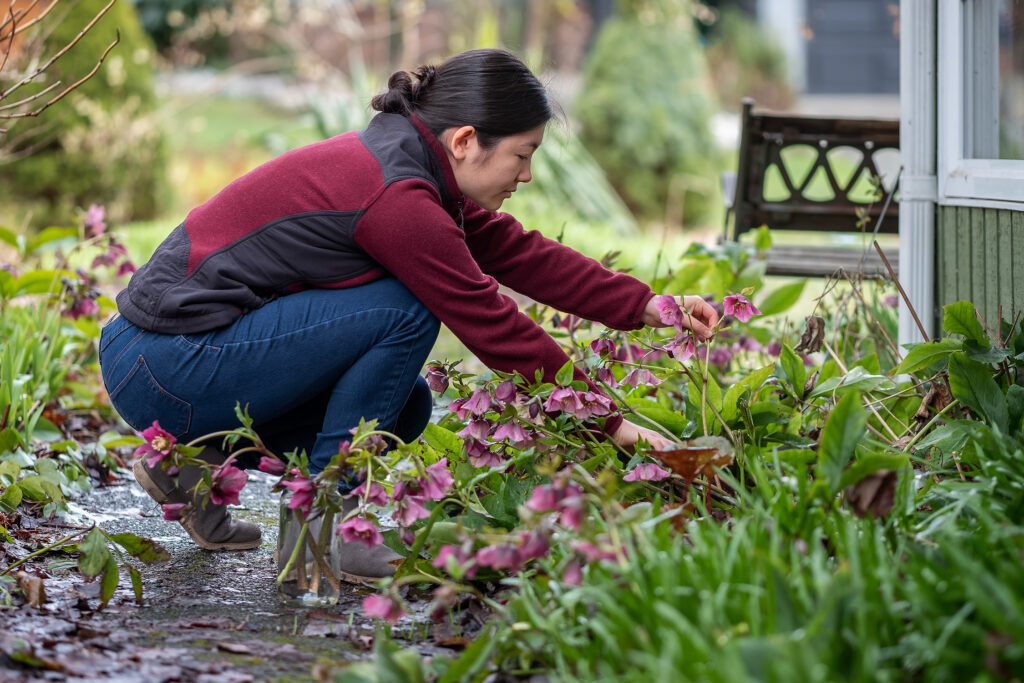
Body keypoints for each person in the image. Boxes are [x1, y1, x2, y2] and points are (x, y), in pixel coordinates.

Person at [98, 49, 718, 575]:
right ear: (466, 141)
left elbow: (520, 254)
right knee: (406, 308)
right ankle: (315, 534)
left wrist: (650, 307)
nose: (526, 175)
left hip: (160, 359)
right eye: (522, 155)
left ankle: (191, 468)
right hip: (164, 364)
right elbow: (488, 320)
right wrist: (613, 425)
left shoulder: (412, 170)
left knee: (406, 406)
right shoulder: (397, 197)